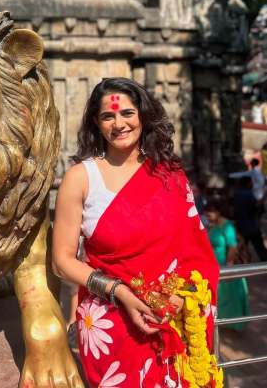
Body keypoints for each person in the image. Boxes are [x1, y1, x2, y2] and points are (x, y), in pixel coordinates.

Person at [52, 78, 221, 388]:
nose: (119, 123)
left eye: (127, 113)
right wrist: (120, 293)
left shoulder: (170, 176)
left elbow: (196, 253)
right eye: (108, 116)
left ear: (143, 115)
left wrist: (180, 299)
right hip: (111, 325)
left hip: (171, 316)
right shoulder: (81, 178)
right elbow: (62, 260)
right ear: (96, 122)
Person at [205, 201, 249, 331]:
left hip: (225, 268)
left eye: (210, 214)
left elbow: (233, 247)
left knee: (229, 299)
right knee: (220, 298)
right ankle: (221, 323)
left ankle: (232, 324)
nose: (207, 216)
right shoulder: (214, 225)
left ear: (218, 212)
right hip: (214, 267)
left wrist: (228, 267)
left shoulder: (227, 227)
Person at [232, 176, 267, 261]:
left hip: (241, 226)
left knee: (241, 247)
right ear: (248, 183)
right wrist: (264, 196)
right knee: (259, 248)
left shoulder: (236, 194)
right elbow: (257, 205)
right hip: (251, 226)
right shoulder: (248, 193)